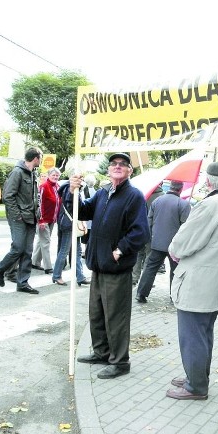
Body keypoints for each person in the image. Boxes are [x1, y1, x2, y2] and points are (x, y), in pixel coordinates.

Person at [165, 161, 218, 400]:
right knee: (203, 333)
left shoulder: (210, 204)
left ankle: (196, 386)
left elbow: (182, 243)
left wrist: (174, 251)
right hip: (216, 280)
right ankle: (197, 376)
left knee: (192, 336)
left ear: (209, 182)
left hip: (198, 281)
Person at [71, 153, 150, 379]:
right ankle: (102, 352)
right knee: (97, 314)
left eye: (122, 165)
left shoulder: (134, 196)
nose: (117, 167)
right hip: (98, 264)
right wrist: (72, 190)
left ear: (129, 171)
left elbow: (141, 231)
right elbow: (82, 211)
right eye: (113, 164)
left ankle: (120, 361)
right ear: (108, 170)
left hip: (116, 268)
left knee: (116, 317)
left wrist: (120, 250)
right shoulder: (103, 192)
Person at [0, 147, 42, 294]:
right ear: (36, 158)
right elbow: (8, 196)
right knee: (18, 248)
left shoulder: (33, 173)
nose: (41, 160)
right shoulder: (17, 172)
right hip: (19, 218)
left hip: (31, 218)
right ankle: (0, 268)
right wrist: (17, 216)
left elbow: (35, 196)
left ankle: (22, 283)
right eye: (41, 157)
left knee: (27, 251)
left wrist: (37, 212)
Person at [136, 180, 191, 303]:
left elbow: (149, 221)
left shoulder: (157, 201)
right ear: (180, 189)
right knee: (176, 271)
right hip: (175, 245)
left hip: (157, 242)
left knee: (150, 268)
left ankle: (141, 294)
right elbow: (185, 227)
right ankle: (174, 295)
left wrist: (150, 238)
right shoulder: (183, 204)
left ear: (170, 187)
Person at [51, 179, 90, 287]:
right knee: (65, 250)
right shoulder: (70, 188)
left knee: (76, 251)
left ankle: (80, 276)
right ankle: (57, 275)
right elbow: (71, 205)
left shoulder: (66, 187)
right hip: (69, 224)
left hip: (69, 223)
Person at [132, 184, 163, 286]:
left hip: (139, 229)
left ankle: (134, 277)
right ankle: (145, 280)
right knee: (149, 256)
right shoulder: (162, 197)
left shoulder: (143, 193)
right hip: (152, 232)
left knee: (138, 254)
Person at [32, 167, 60, 274]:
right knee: (46, 242)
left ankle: (35, 262)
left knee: (42, 240)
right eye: (53, 175)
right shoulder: (44, 186)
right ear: (48, 175)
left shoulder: (57, 187)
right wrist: (41, 220)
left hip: (52, 219)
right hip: (44, 219)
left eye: (57, 175)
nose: (55, 177)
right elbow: (40, 203)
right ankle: (48, 267)